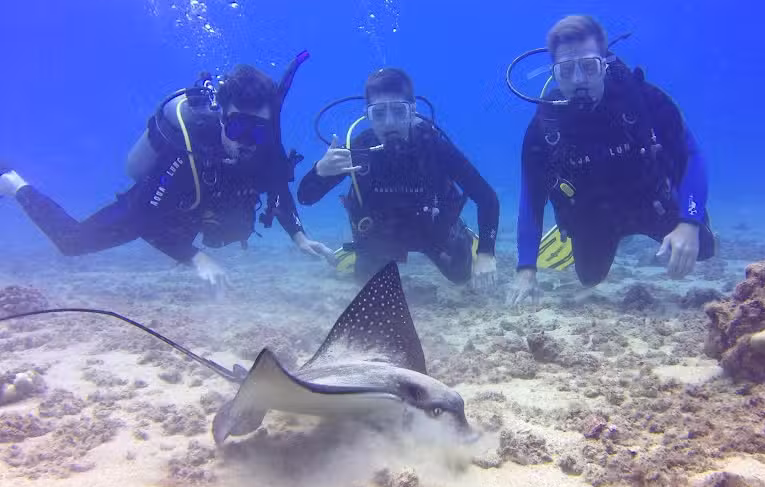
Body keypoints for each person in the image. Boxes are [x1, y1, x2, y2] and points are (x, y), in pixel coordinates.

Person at [0, 64, 334, 289]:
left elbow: (278, 186)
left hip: (199, 212)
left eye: (258, 130)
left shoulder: (263, 150)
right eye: (237, 127)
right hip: (158, 202)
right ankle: (14, 184)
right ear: (221, 120)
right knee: (72, 243)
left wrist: (299, 237)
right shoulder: (188, 153)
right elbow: (146, 221)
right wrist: (194, 256)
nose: (248, 141)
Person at [509, 15, 715, 305]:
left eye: (589, 66)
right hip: (595, 216)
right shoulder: (543, 130)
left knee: (704, 247)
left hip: (651, 202)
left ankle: (688, 224)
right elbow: (531, 200)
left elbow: (691, 155)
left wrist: (689, 222)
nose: (579, 80)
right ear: (554, 74)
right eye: (567, 70)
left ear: (604, 63)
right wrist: (526, 269)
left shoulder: (646, 100)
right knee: (589, 277)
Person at [298, 68, 499, 288]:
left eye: (399, 111)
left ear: (412, 111)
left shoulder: (433, 146)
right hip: (380, 237)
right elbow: (305, 197)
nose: (390, 122)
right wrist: (320, 170)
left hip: (432, 231)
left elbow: (487, 197)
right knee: (367, 286)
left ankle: (460, 233)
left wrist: (486, 253)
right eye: (379, 113)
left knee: (461, 275)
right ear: (368, 115)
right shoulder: (360, 150)